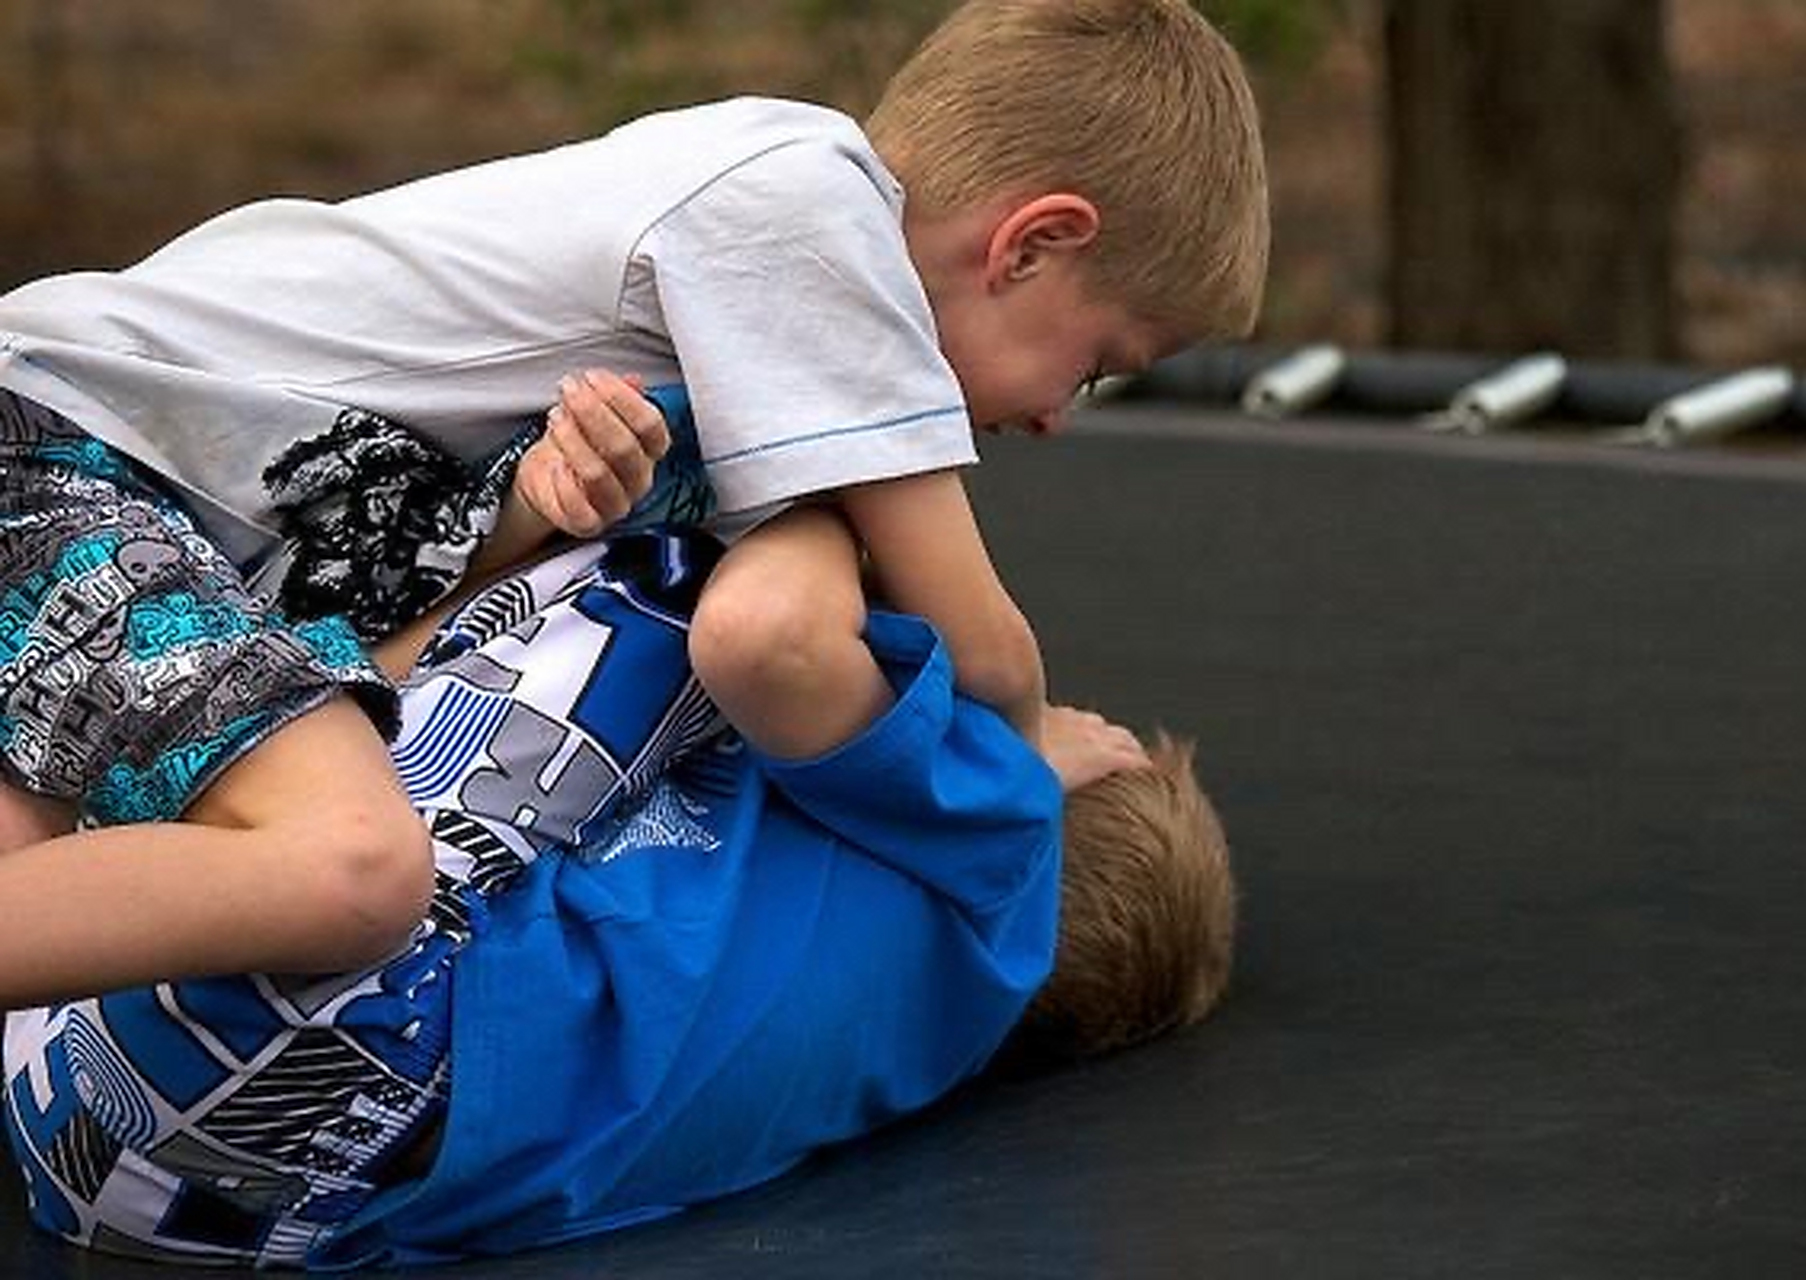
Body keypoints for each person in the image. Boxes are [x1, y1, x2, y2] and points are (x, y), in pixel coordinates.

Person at [0, 0, 1269, 1009]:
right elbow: (971, 627)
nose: (1056, 415)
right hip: (71, 449)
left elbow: (429, 561)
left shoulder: (739, 361)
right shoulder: (807, 206)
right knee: (352, 864)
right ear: (1030, 243)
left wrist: (536, 511)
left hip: (157, 513)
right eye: (1093, 361)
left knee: (60, 872)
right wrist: (1024, 741)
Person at [3, 507, 1237, 1268]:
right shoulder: (921, 1026)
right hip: (166, 1181)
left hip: (363, 1014)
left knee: (671, 571)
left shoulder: (1001, 848)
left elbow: (765, 633)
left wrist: (815, 480)